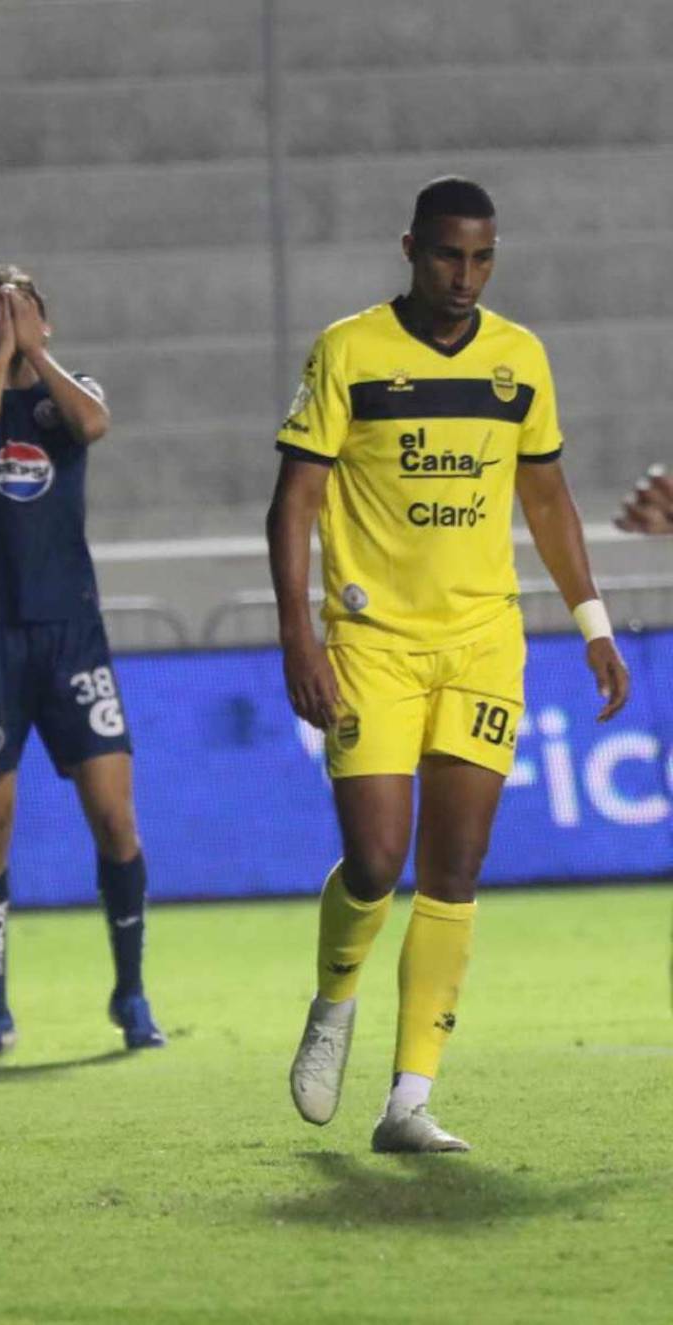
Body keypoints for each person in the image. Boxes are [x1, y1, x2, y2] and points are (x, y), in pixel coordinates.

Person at [266, 178, 630, 1153]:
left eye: (481, 258)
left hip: (482, 642)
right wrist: (299, 633)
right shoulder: (348, 352)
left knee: (455, 865)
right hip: (372, 642)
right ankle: (333, 1001)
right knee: (378, 857)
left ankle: (408, 1098)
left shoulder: (520, 359)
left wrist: (591, 620)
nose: (464, 276)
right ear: (410, 249)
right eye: (446, 256)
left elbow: (547, 499)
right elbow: (294, 502)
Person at [0, 262, 166, 1058]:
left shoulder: (72, 393)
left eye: (27, 316)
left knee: (114, 815)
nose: (18, 329)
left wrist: (36, 355)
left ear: (48, 323)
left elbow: (92, 424)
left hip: (71, 634)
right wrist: (0, 360)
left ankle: (130, 990)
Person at [615, 464, 673, 535]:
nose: (656, 480)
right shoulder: (639, 496)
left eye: (658, 478)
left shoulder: (668, 487)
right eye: (653, 478)